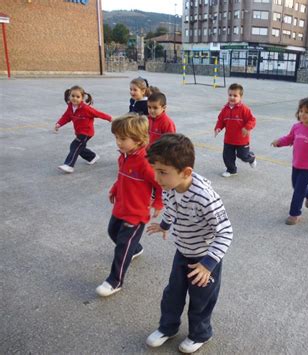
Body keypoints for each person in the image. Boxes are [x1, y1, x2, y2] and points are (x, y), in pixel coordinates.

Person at [145, 134, 233, 354]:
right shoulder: (170, 186)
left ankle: (200, 333)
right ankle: (168, 327)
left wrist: (208, 264)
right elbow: (173, 208)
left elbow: (225, 231)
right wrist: (165, 225)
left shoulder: (205, 198)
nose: (157, 178)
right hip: (182, 252)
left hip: (204, 259)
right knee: (172, 294)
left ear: (186, 173)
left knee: (201, 300)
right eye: (155, 170)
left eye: (162, 172)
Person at [96, 113, 163, 297]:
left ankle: (115, 281)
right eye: (116, 137)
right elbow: (121, 177)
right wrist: (114, 189)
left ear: (139, 140)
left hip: (136, 212)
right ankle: (136, 248)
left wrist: (158, 202)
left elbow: (159, 184)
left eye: (123, 138)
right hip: (121, 207)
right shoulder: (123, 156)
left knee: (122, 247)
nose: (118, 142)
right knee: (113, 233)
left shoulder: (144, 162)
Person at [271, 97, 308, 225]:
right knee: (296, 186)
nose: (302, 114)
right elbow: (289, 138)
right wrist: (279, 142)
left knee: (298, 191)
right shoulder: (296, 127)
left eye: (307, 112)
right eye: (301, 111)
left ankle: (294, 214)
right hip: (296, 164)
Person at [54, 85, 111, 173]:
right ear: (69, 96)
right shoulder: (70, 107)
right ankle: (92, 157)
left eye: (78, 97)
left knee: (75, 145)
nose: (75, 98)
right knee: (79, 147)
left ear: (82, 98)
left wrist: (109, 118)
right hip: (78, 132)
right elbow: (66, 117)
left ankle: (69, 165)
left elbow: (98, 113)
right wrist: (59, 124)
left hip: (86, 132)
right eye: (72, 96)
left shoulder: (86, 108)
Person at [214, 83, 257, 177]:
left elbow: (252, 120)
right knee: (227, 156)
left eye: (235, 95)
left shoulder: (244, 109)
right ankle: (231, 170)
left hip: (242, 139)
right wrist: (218, 128)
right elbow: (221, 120)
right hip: (229, 139)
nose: (232, 97)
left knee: (243, 156)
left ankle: (251, 158)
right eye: (230, 95)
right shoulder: (225, 109)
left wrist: (247, 127)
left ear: (240, 97)